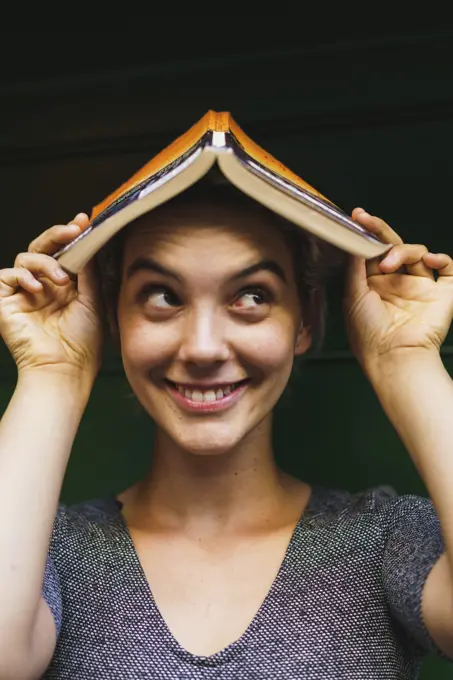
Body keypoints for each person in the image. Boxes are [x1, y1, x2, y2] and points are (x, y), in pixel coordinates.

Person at [1, 178, 453, 680]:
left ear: (303, 322)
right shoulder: (53, 551)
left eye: (252, 295)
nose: (203, 348)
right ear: (116, 322)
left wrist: (407, 359)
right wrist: (52, 372)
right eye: (162, 296)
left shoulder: (387, 538)